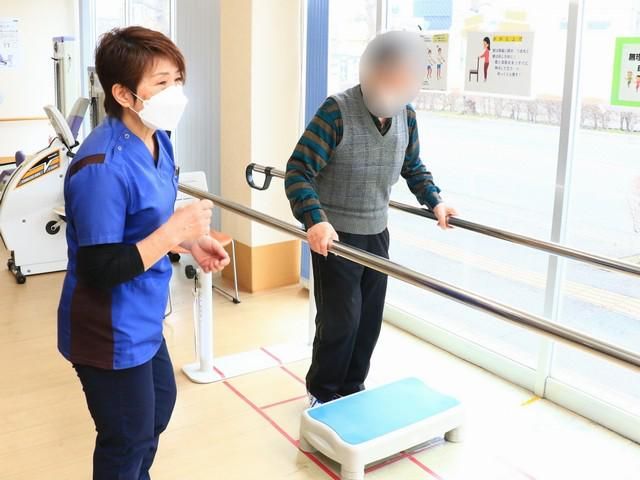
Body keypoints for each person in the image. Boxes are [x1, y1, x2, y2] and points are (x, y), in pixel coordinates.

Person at [57, 26, 230, 479]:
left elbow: (147, 219)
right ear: (123, 93)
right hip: (108, 328)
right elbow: (100, 268)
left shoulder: (158, 138)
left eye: (178, 80)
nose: (176, 92)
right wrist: (175, 229)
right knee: (126, 437)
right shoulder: (101, 167)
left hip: (144, 315)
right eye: (161, 82)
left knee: (157, 411)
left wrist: (190, 241)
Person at [285, 31, 457, 407]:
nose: (393, 89)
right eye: (387, 79)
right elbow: (298, 171)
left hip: (377, 233)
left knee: (368, 320)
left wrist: (435, 201)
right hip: (335, 235)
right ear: (370, 72)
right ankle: (323, 392)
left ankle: (351, 388)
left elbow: (413, 166)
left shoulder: (406, 116)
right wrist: (315, 219)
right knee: (341, 320)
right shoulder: (337, 111)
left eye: (402, 82)